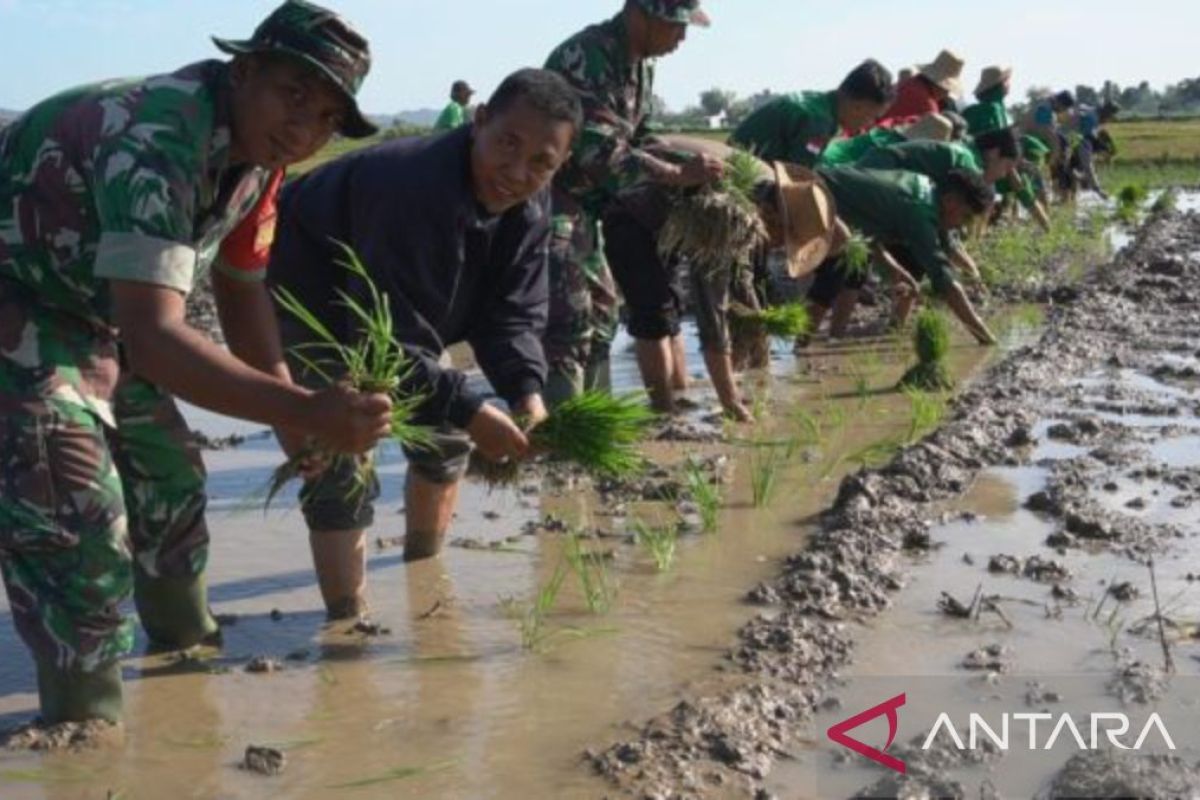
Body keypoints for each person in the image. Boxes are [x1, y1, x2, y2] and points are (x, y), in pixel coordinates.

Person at [0, 0, 390, 728]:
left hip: (94, 305)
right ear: (243, 72)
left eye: (329, 119)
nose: (305, 130)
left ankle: (184, 667)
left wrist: (284, 408)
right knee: (74, 502)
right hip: (20, 294)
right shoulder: (156, 139)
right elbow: (153, 337)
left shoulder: (259, 158)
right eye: (294, 95)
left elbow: (240, 287)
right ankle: (85, 729)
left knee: (171, 474)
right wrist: (305, 409)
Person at [267, 69, 581, 618]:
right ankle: (348, 625)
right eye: (508, 144)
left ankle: (424, 583)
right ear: (478, 120)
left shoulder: (531, 203)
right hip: (311, 296)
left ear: (559, 165)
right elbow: (385, 337)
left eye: (540, 162)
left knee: (444, 440)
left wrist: (525, 391)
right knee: (341, 459)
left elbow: (513, 314)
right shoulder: (410, 186)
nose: (516, 171)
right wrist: (468, 405)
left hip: (403, 311)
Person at [542, 0, 722, 409]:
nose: (682, 38)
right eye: (676, 26)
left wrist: (689, 164)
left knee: (604, 311)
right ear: (641, 14)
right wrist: (675, 175)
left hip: (585, 208)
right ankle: (564, 432)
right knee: (569, 315)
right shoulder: (587, 56)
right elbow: (597, 151)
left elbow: (642, 136)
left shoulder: (642, 66)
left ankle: (596, 421)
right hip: (547, 201)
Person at [601, 138, 833, 419]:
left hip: (669, 222)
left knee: (671, 308)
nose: (780, 249)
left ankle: (680, 394)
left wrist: (760, 368)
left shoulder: (762, 189)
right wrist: (730, 401)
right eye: (785, 241)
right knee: (654, 314)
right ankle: (663, 411)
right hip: (632, 218)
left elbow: (744, 287)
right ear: (772, 217)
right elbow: (712, 312)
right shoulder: (729, 216)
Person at [806, 166, 998, 343]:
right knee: (838, 267)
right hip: (811, 194)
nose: (961, 225)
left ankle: (827, 339)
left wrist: (893, 268)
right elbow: (943, 278)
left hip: (828, 199)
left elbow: (867, 231)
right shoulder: (919, 211)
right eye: (964, 216)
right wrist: (985, 337)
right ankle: (801, 342)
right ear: (950, 201)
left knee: (853, 260)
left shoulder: (925, 188)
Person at [731, 59, 896, 167]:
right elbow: (798, 176)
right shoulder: (818, 124)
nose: (870, 124)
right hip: (738, 174)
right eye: (873, 116)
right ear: (859, 106)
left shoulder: (818, 103)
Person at [880, 49, 965, 123]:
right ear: (938, 84)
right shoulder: (928, 107)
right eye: (947, 89)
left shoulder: (906, 83)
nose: (946, 94)